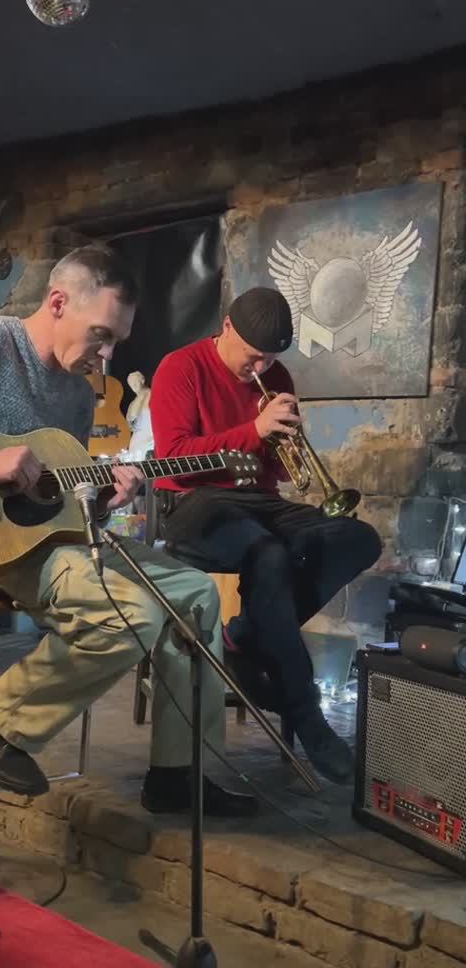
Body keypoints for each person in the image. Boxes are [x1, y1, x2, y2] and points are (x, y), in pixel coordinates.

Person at [0, 246, 257, 817]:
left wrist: (104, 499)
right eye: (101, 335)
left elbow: (61, 499)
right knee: (132, 614)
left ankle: (177, 774)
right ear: (59, 302)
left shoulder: (76, 390)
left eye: (116, 341)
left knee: (194, 594)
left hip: (54, 540)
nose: (107, 354)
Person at [149, 286, 382, 784]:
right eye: (253, 356)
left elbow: (273, 472)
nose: (260, 368)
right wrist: (254, 430)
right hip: (193, 502)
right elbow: (173, 458)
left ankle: (247, 635)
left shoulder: (276, 377)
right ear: (226, 328)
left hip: (257, 500)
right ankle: (307, 713)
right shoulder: (180, 367)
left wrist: (282, 441)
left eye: (270, 359)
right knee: (271, 555)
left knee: (357, 538)